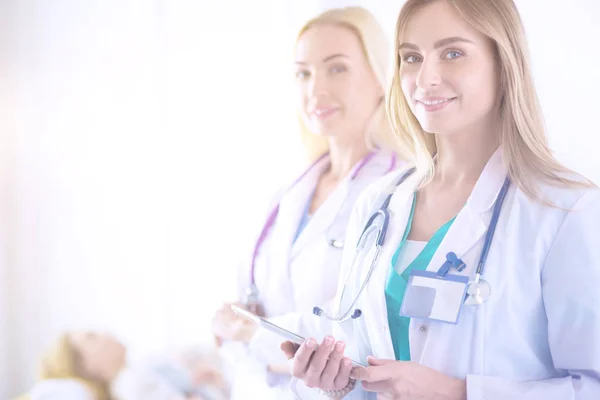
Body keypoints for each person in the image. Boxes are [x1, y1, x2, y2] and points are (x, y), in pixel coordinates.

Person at [282, 0, 600, 399]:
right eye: (411, 57)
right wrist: (334, 384)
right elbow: (363, 362)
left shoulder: (565, 211)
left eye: (452, 53)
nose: (425, 78)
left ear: (504, 63)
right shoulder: (378, 204)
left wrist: (458, 393)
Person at [211, 6, 400, 400]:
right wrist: (240, 331)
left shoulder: (398, 192)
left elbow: (356, 336)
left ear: (381, 78)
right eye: (304, 73)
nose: (316, 90)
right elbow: (242, 319)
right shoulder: (288, 194)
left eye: (337, 68)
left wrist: (247, 334)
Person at [16, 331, 227, 400]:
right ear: (86, 369)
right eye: (92, 337)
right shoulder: (130, 385)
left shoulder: (137, 373)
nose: (104, 334)